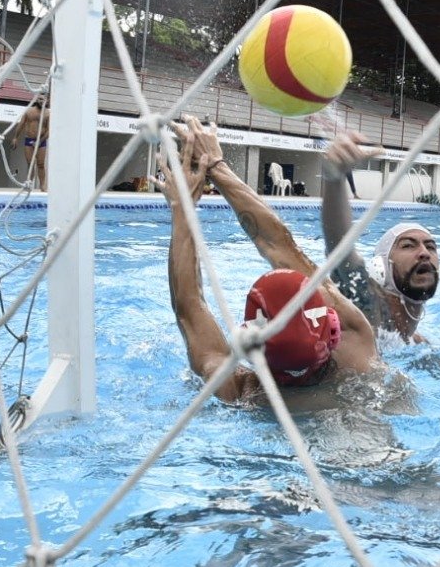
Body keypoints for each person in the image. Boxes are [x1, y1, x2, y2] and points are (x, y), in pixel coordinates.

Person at [160, 117, 379, 404]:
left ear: (249, 345)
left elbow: (189, 306)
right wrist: (216, 166)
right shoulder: (357, 351)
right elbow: (281, 247)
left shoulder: (241, 390)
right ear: (333, 330)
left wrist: (181, 208)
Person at [318, 130, 438, 342]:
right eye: (408, 245)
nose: (424, 253)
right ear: (382, 268)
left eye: (430, 246)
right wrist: (334, 179)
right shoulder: (367, 311)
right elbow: (340, 250)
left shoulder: (419, 344)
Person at [9, 92, 50, 191]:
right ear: (36, 100)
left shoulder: (48, 113)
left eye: (43, 99)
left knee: (40, 164)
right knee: (30, 163)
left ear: (47, 100)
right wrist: (15, 137)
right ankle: (29, 184)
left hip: (41, 141)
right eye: (40, 99)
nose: (41, 101)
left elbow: (49, 130)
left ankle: (42, 185)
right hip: (29, 140)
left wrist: (40, 141)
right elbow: (21, 124)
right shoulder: (29, 111)